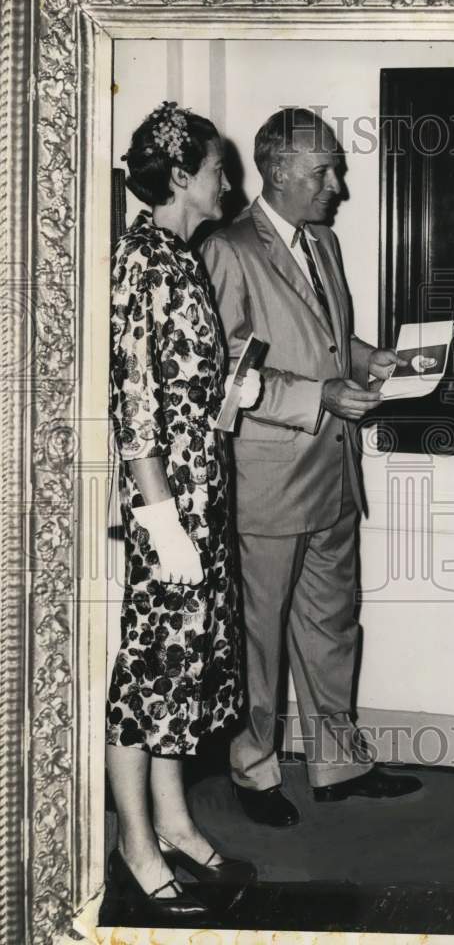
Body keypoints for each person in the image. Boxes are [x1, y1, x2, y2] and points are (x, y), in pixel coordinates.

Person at [201, 107, 422, 826]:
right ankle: (253, 767)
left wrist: (369, 359)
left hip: (332, 474)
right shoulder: (228, 249)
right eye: (324, 169)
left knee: (333, 627)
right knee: (258, 638)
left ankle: (339, 762)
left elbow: (326, 339)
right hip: (265, 483)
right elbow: (219, 379)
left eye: (334, 166)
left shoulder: (321, 243)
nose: (337, 182)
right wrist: (318, 395)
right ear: (279, 171)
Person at [104, 102, 260, 922]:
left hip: (202, 490)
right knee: (147, 674)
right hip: (167, 501)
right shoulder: (139, 260)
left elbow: (181, 386)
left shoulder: (181, 256)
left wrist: (231, 394)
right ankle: (135, 845)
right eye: (215, 169)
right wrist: (159, 517)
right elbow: (132, 402)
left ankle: (173, 820)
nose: (225, 182)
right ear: (179, 179)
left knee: (182, 672)